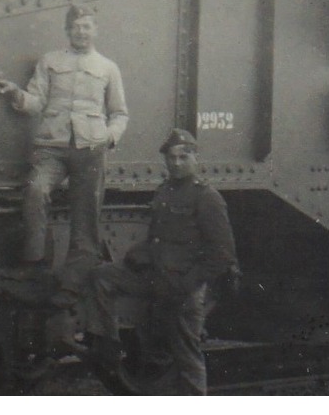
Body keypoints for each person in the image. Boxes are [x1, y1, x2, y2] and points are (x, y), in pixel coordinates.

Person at [82, 129, 238, 396]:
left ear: (195, 158)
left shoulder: (207, 197)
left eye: (183, 157)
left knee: (187, 358)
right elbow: (159, 238)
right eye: (171, 157)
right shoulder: (164, 192)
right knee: (102, 276)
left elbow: (223, 255)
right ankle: (108, 343)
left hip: (182, 290)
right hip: (155, 278)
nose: (176, 163)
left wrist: (186, 285)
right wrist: (138, 254)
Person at [0, 5, 129, 270]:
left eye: (86, 26)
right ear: (67, 30)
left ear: (95, 30)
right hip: (51, 149)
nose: (81, 32)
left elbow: (119, 113)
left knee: (86, 210)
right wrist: (15, 93)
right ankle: (36, 262)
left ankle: (81, 269)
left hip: (90, 149)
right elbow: (36, 101)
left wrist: (108, 138)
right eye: (76, 26)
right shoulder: (50, 61)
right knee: (35, 190)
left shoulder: (107, 68)